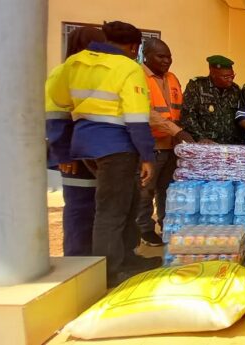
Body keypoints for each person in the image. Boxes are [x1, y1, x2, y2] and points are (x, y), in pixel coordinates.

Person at [47, 21, 161, 287]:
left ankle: (128, 259)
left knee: (126, 203)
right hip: (117, 146)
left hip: (84, 142)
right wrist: (147, 156)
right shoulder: (128, 68)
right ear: (135, 47)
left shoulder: (74, 64)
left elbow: (58, 106)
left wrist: (62, 149)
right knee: (111, 211)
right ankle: (110, 271)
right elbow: (135, 117)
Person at [46, 26, 105, 256]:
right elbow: (55, 116)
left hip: (99, 154)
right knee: (80, 208)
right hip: (75, 155)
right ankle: (77, 258)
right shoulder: (63, 72)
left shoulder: (99, 75)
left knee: (98, 209)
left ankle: (94, 259)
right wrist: (63, 154)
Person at [136, 38, 194, 246]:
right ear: (146, 55)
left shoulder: (172, 78)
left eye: (169, 56)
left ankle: (165, 223)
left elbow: (181, 110)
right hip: (150, 145)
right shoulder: (138, 77)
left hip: (172, 145)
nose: (166, 61)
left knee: (167, 189)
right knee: (145, 190)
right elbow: (147, 112)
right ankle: (144, 229)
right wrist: (177, 131)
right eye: (161, 56)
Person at [181, 55, 243, 145]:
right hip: (205, 146)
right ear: (213, 74)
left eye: (232, 76)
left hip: (230, 147)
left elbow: (240, 117)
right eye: (226, 77)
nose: (230, 80)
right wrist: (200, 138)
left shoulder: (235, 90)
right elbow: (187, 116)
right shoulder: (196, 86)